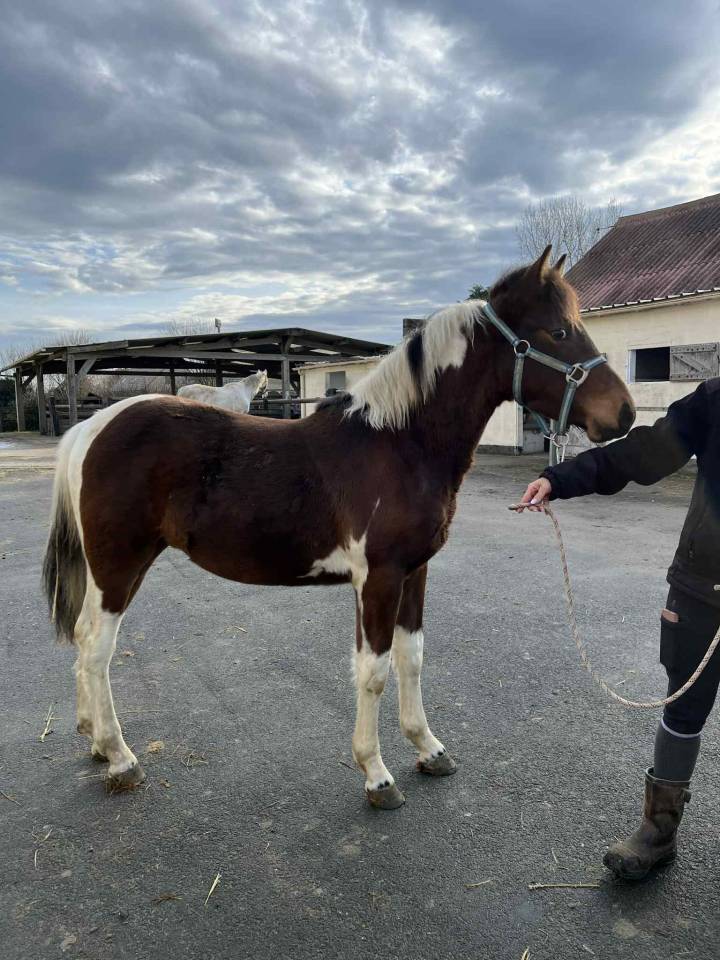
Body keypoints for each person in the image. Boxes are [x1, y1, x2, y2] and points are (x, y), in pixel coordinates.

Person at [518, 377, 720, 880]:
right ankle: (658, 831)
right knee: (683, 705)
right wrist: (561, 479)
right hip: (700, 588)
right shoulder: (716, 400)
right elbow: (646, 452)